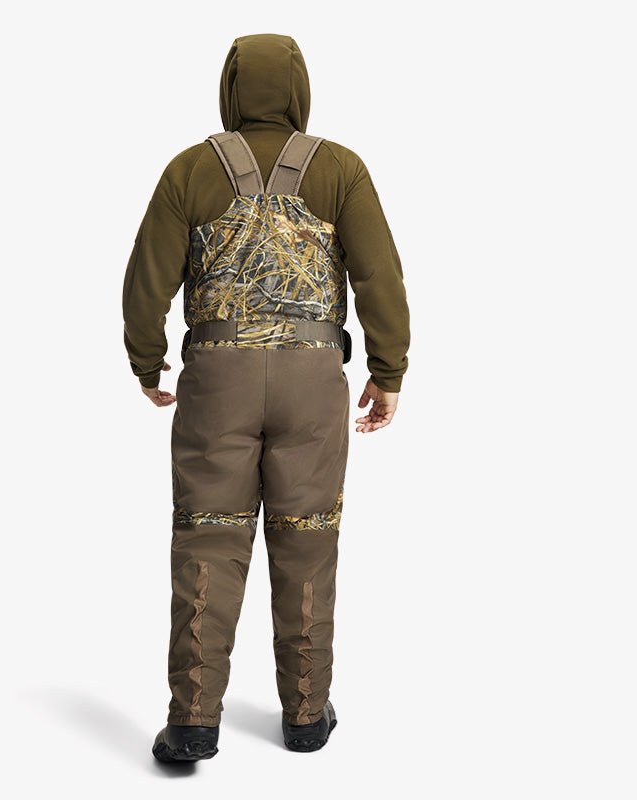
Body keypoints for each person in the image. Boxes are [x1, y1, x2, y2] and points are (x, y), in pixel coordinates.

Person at [122, 32, 410, 762]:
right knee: (307, 538)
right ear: (299, 90)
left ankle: (192, 721)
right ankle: (306, 715)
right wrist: (388, 370)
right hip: (313, 377)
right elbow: (379, 276)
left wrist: (148, 363)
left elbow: (146, 280)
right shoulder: (340, 168)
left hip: (217, 378)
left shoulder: (190, 168)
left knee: (208, 537)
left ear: (229, 89)